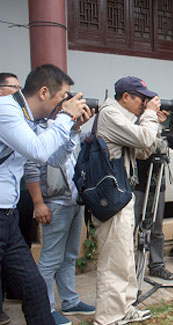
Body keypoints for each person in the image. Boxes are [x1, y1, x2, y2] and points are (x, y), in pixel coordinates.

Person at [0, 64, 89, 324]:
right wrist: (63, 119)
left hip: (8, 216)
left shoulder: (31, 120)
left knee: (35, 289)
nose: (68, 104)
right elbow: (37, 151)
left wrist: (72, 129)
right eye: (64, 97)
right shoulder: (6, 110)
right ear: (43, 92)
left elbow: (53, 157)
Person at [93, 76, 161, 325]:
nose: (145, 102)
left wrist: (150, 121)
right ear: (125, 97)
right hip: (111, 195)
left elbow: (143, 150)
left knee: (124, 256)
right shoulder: (110, 113)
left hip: (121, 193)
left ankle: (125, 307)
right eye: (142, 98)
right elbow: (143, 140)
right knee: (113, 260)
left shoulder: (122, 117)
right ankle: (108, 317)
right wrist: (150, 117)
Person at [24, 119, 95, 324]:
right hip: (54, 203)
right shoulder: (39, 128)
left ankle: (70, 301)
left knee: (70, 256)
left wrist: (77, 128)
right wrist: (39, 203)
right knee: (49, 260)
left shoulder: (66, 127)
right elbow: (31, 168)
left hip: (74, 200)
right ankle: (45, 309)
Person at [134, 125, 173, 281]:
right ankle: (129, 268)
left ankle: (157, 265)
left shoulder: (166, 131)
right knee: (131, 227)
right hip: (137, 184)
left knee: (156, 228)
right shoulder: (141, 126)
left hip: (157, 184)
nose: (164, 115)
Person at [0, 72, 24, 325]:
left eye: (20, 87)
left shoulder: (20, 118)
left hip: (13, 202)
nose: (18, 92)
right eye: (13, 87)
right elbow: (37, 152)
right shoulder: (5, 117)